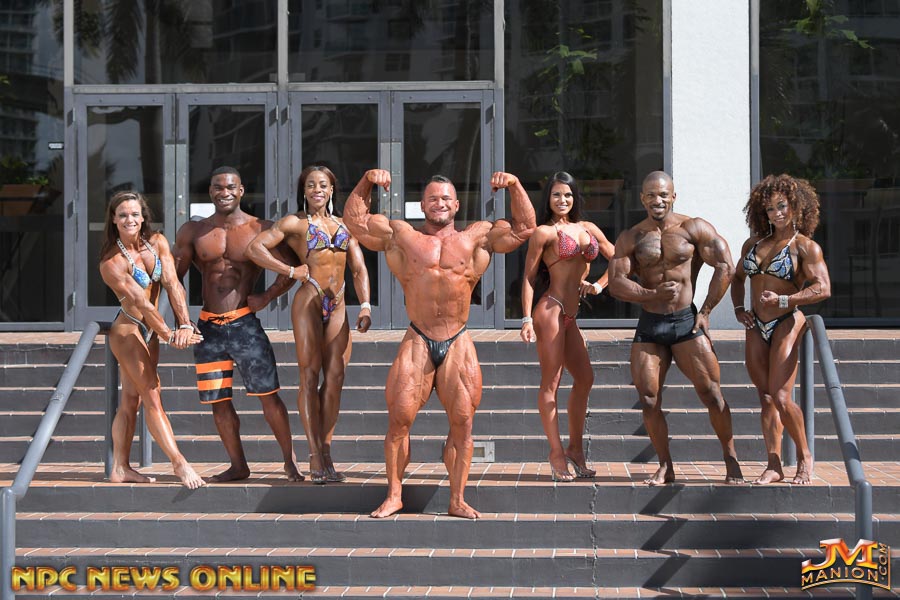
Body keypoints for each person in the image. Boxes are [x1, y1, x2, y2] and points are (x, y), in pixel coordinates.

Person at [343, 169, 536, 519]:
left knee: (463, 423)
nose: (440, 203)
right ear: (422, 205)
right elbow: (355, 222)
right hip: (418, 336)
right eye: (433, 198)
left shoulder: (477, 236)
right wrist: (367, 180)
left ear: (456, 204)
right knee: (399, 420)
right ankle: (394, 495)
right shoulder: (402, 235)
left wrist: (515, 185)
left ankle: (457, 499)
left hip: (457, 337)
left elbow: (524, 228)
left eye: (446, 198)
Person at [607, 171, 744, 486]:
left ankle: (730, 458)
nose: (657, 200)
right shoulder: (632, 237)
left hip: (685, 321)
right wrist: (650, 294)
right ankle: (665, 466)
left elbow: (725, 266)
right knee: (648, 399)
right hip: (650, 325)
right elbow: (616, 283)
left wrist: (706, 311)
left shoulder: (693, 228)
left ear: (673, 196)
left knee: (712, 394)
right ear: (642, 198)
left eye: (663, 194)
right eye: (651, 195)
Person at [173, 166, 303, 483]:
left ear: (241, 190)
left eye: (231, 187)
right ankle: (238, 465)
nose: (225, 192)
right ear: (211, 192)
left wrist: (268, 296)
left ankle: (290, 461)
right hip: (208, 329)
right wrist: (182, 321)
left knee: (268, 396)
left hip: (245, 325)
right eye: (218, 187)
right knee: (218, 401)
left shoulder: (261, 228)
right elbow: (173, 279)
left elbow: (294, 268)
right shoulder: (193, 231)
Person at [246, 165, 372, 484]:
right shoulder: (294, 223)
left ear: (332, 190)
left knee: (336, 377)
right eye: (311, 185)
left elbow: (358, 269)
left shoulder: (344, 225)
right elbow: (254, 248)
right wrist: (290, 272)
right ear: (304, 190)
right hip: (309, 299)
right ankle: (314, 452)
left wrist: (366, 305)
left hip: (339, 301)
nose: (318, 190)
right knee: (309, 375)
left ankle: (326, 451)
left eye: (323, 185)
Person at [98, 190, 205, 489]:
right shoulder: (112, 262)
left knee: (130, 400)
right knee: (152, 395)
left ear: (143, 216)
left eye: (134, 214)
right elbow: (142, 304)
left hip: (151, 331)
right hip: (128, 330)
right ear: (114, 220)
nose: (129, 219)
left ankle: (120, 467)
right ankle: (179, 464)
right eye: (122, 215)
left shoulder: (157, 242)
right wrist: (169, 334)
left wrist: (185, 324)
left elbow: (173, 283)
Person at [731, 174, 831, 485]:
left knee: (782, 397)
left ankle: (804, 455)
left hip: (786, 321)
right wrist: (738, 310)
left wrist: (784, 299)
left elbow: (823, 288)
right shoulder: (753, 244)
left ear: (796, 207)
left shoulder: (805, 247)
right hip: (755, 326)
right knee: (766, 398)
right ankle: (773, 464)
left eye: (782, 206)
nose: (777, 213)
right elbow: (737, 278)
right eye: (770, 208)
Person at [519, 172, 614, 481]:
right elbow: (529, 278)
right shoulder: (544, 233)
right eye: (557, 194)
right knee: (552, 382)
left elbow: (619, 259)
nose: (563, 200)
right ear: (548, 198)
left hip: (572, 314)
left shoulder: (588, 228)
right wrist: (525, 319)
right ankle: (556, 452)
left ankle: (575, 448)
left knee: (585, 378)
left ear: (575, 198)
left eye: (568, 195)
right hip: (551, 310)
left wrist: (599, 285)